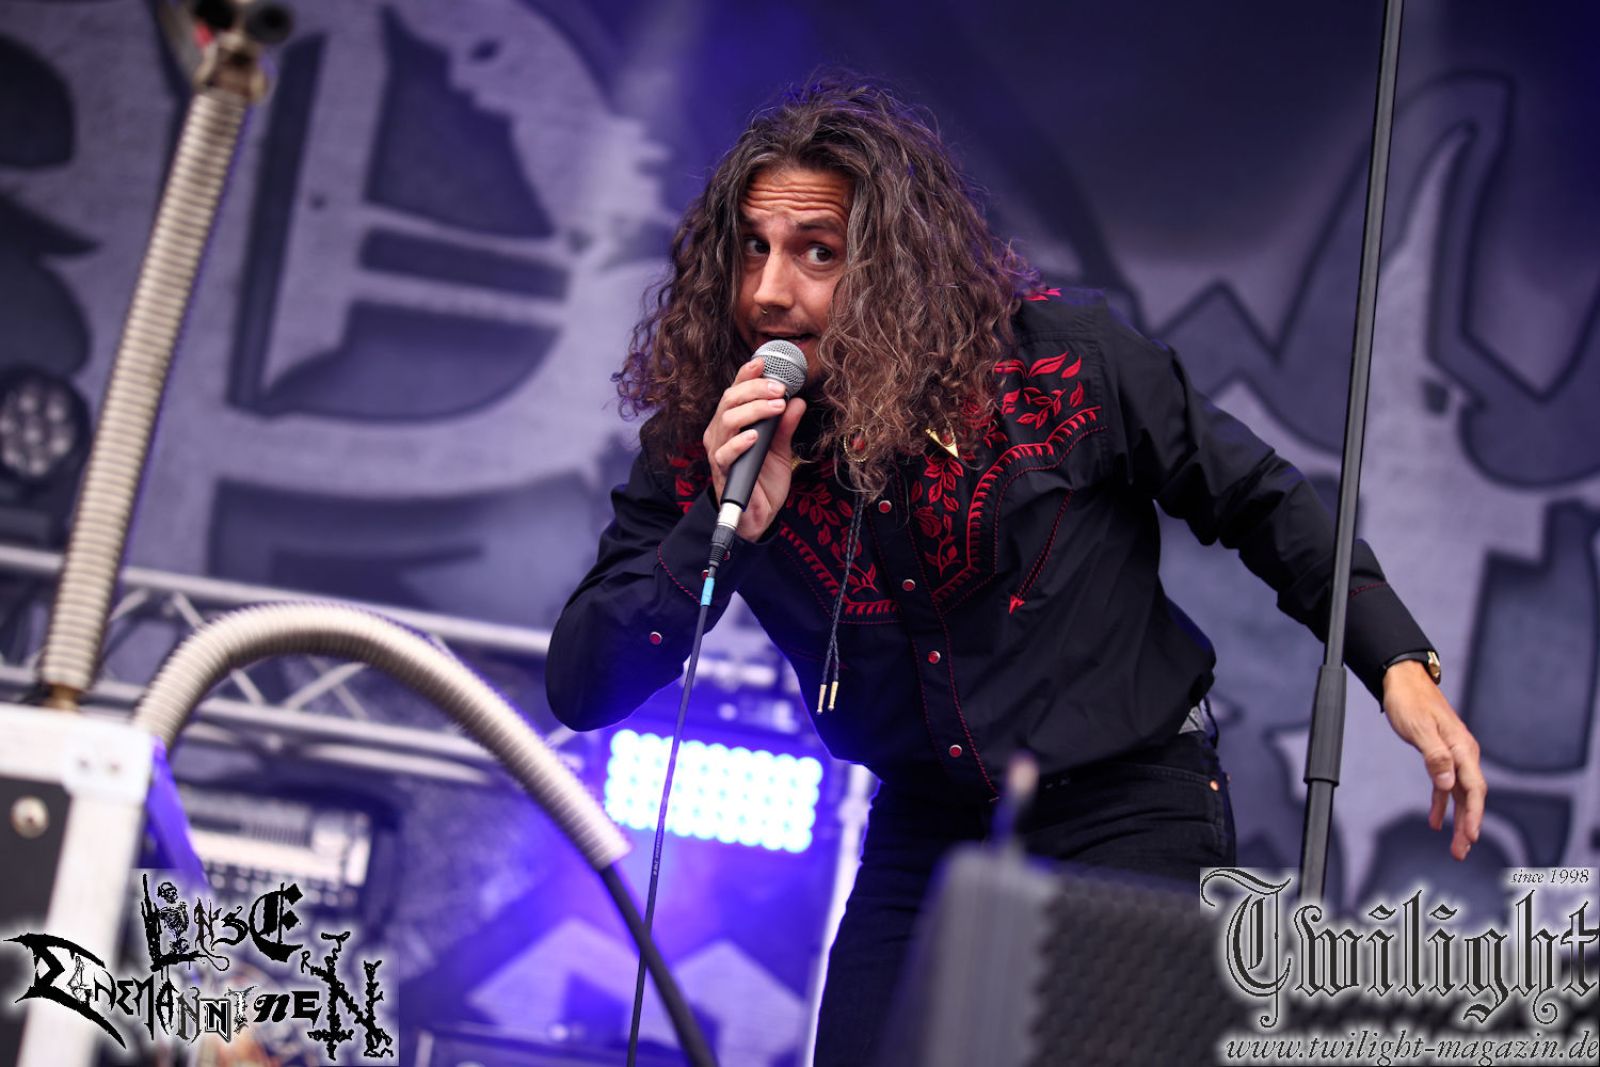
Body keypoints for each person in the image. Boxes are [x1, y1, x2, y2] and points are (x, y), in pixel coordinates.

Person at [544, 77, 1486, 1065]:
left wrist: (1396, 663)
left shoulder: (1061, 365)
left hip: (1128, 803)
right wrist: (723, 522)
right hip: (926, 823)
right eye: (751, 248)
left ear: (895, 264)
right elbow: (582, 683)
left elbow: (1258, 498)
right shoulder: (708, 443)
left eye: (817, 251)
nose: (770, 292)